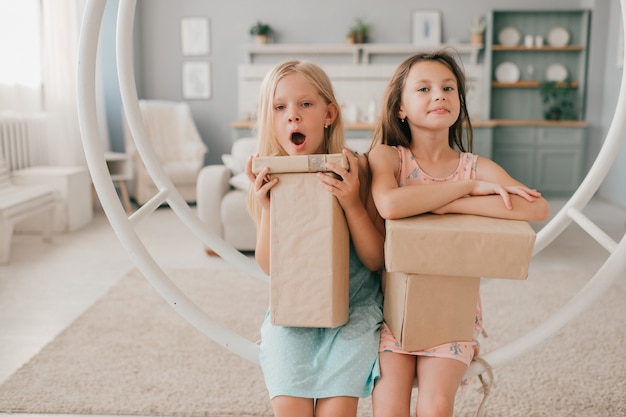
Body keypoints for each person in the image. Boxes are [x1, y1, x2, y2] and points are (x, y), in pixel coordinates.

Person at [368, 50, 550, 417]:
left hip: (452, 314)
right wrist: (464, 189)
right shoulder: (387, 158)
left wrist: (449, 206)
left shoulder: (476, 166)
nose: (439, 95)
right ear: (400, 108)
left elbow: (536, 208)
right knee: (389, 407)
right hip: (391, 313)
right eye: (424, 88)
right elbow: (390, 204)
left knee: (436, 406)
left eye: (448, 88)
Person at [245, 59, 386, 417]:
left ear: (329, 114)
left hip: (353, 311)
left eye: (305, 104)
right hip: (292, 314)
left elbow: (374, 260)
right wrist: (268, 209)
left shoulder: (358, 169)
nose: (292, 116)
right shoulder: (272, 179)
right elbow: (269, 268)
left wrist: (351, 202)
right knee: (290, 406)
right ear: (270, 119)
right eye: (280, 107)